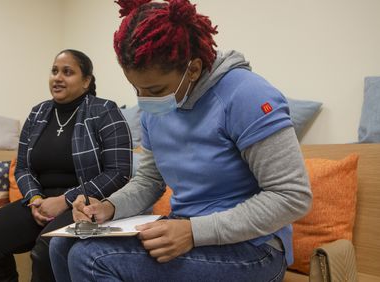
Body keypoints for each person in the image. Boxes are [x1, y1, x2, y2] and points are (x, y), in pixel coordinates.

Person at [49, 1, 312, 281]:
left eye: (155, 89)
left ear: (194, 69)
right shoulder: (156, 107)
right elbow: (149, 179)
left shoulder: (247, 95)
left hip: (255, 249)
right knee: (61, 246)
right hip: (187, 230)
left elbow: (291, 196)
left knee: (92, 259)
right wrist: (108, 207)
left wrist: (193, 232)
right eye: (135, 87)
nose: (144, 98)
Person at [0, 49, 133, 282]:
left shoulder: (104, 110)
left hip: (85, 205)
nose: (58, 77)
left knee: (45, 250)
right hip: (41, 202)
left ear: (86, 81)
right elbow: (23, 167)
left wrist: (64, 201)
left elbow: (118, 173)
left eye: (68, 72)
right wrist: (35, 200)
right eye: (54, 71)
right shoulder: (38, 113)